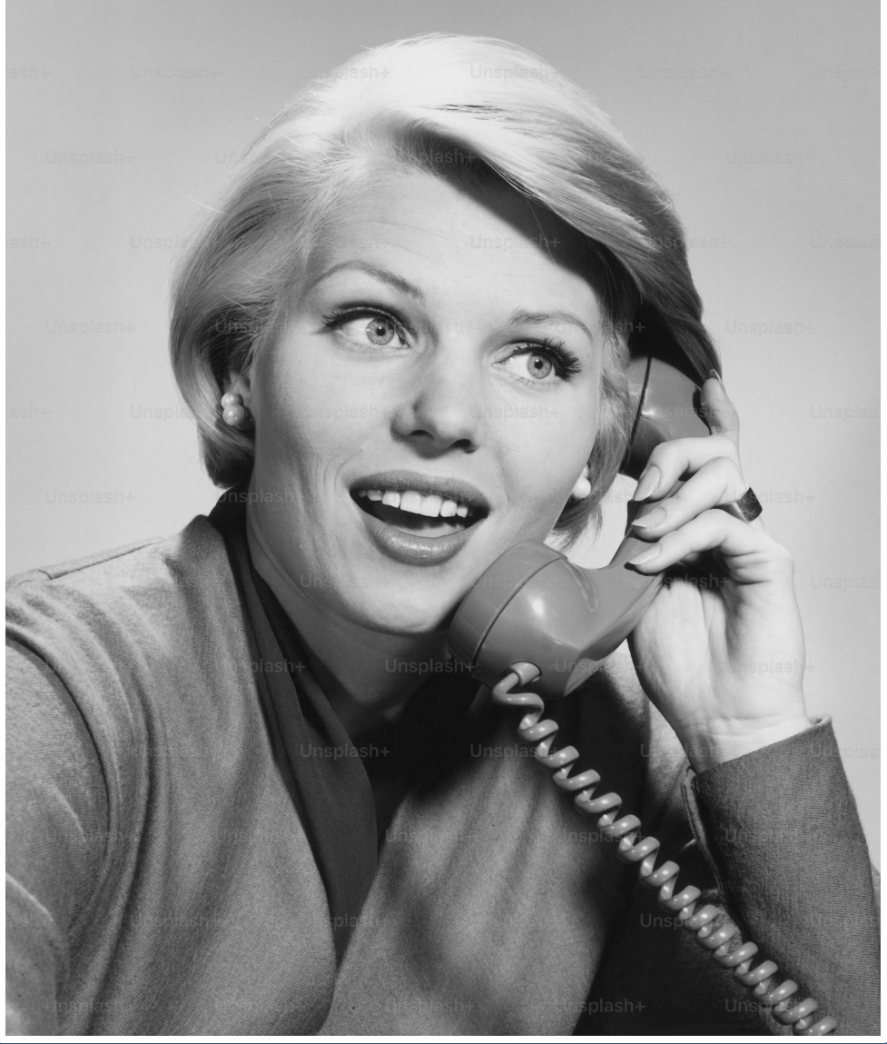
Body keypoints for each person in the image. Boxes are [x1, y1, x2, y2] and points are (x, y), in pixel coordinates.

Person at [7, 34, 878, 1036]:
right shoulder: (52, 698)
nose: (445, 414)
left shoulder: (614, 752)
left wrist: (746, 735)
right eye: (375, 324)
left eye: (535, 357)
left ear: (613, 442)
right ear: (239, 368)